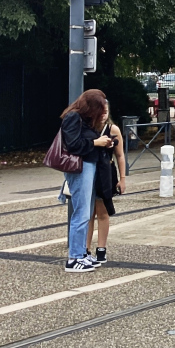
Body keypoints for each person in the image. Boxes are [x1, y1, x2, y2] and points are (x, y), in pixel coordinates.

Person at [59, 89, 117, 272]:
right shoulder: (73, 117)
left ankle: (82, 254)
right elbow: (73, 145)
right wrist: (95, 143)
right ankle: (74, 257)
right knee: (82, 213)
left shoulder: (85, 119)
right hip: (79, 168)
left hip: (89, 165)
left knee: (86, 210)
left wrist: (105, 142)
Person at [86, 103, 126, 266]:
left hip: (105, 173)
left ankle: (101, 249)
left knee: (102, 212)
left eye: (106, 111)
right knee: (87, 214)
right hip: (89, 173)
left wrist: (122, 178)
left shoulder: (113, 129)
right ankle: (85, 249)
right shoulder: (87, 128)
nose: (103, 114)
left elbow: (120, 155)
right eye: (100, 111)